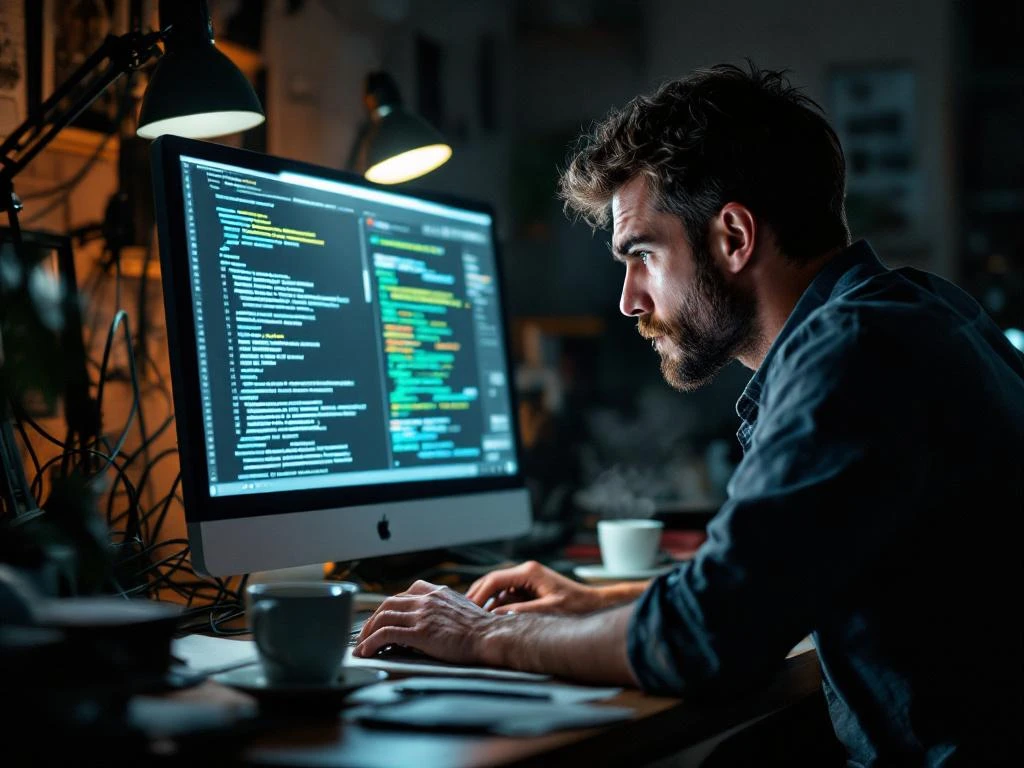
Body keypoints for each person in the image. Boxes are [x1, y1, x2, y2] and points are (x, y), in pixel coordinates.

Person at [355, 62, 1024, 765]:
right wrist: (591, 604)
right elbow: (762, 582)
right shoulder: (920, 310)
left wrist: (479, 636)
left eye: (642, 254)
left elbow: (712, 638)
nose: (628, 300)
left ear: (734, 237)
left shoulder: (852, 354)